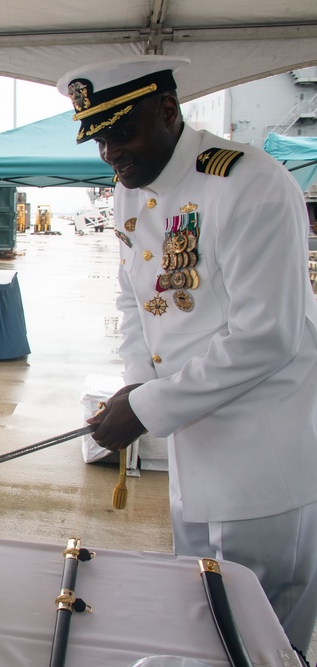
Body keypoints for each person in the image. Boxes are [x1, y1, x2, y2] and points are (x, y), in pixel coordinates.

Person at [59, 55, 317, 652]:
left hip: (264, 468)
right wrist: (134, 388)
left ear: (168, 110)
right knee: (201, 621)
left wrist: (148, 407)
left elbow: (267, 335)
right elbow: (135, 302)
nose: (111, 153)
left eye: (122, 132)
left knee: (263, 639)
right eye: (100, 140)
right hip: (193, 453)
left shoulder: (248, 183)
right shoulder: (132, 190)